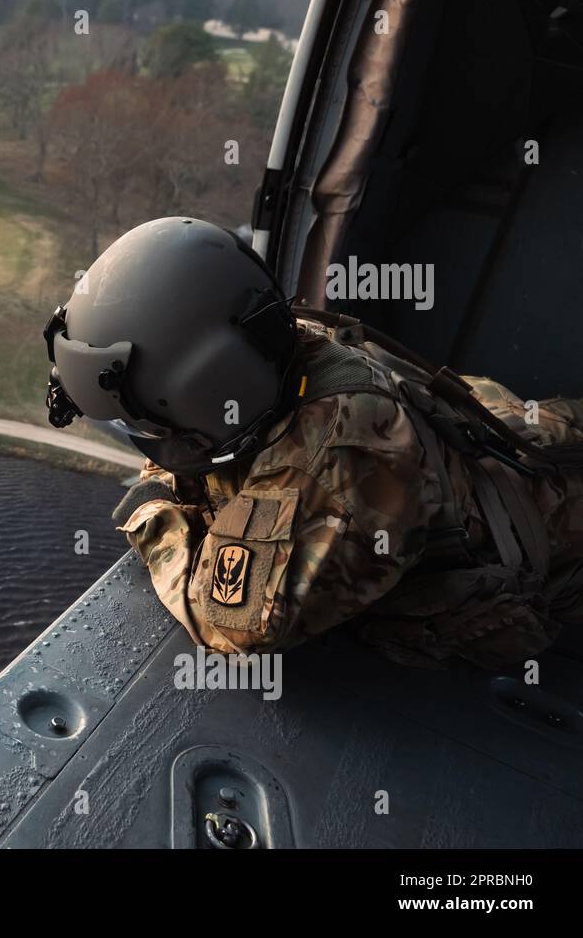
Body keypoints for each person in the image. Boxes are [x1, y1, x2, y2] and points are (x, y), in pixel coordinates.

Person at [43, 216, 583, 669]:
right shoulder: (269, 342)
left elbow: (235, 629)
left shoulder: (329, 467)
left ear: (209, 388)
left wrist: (153, 511)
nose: (151, 452)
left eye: (157, 432)